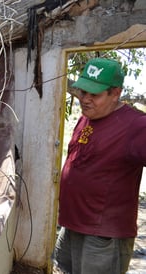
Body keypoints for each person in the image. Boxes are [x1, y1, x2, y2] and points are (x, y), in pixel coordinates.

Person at [53, 57, 146, 274]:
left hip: (103, 234)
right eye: (83, 92)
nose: (85, 99)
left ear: (116, 93)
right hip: (73, 224)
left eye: (94, 94)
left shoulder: (135, 125)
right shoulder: (88, 116)